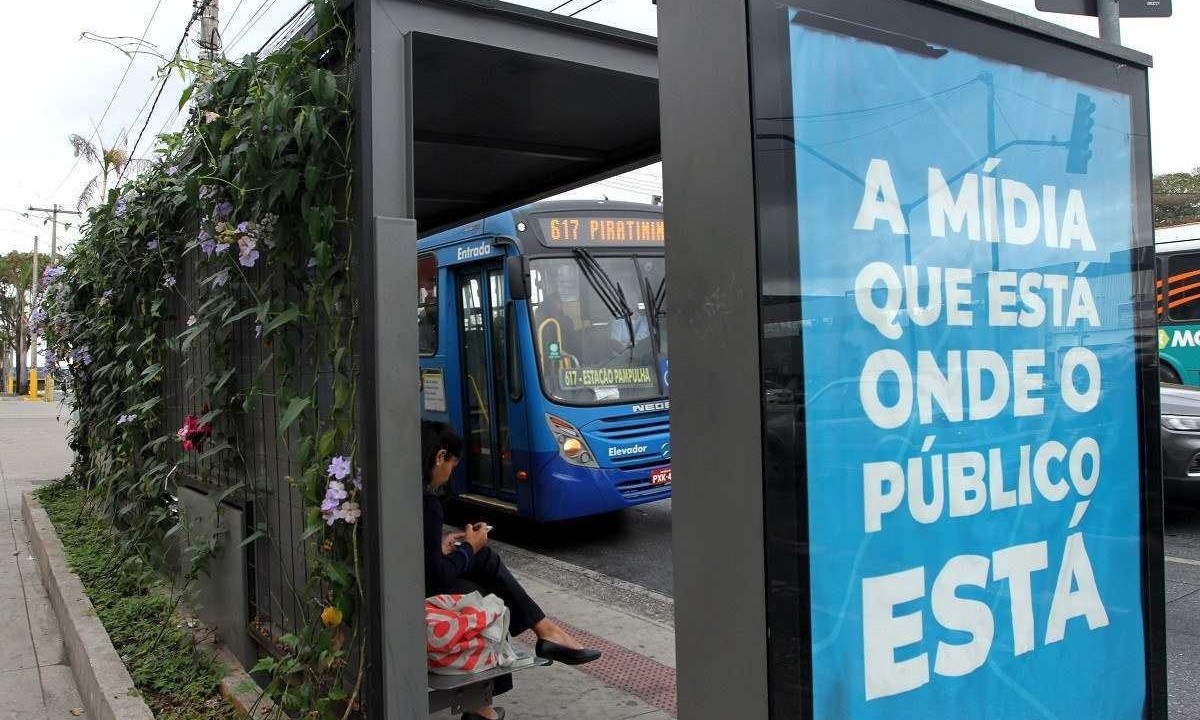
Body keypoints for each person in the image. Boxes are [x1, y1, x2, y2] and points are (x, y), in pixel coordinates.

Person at [422, 422, 600, 720]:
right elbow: (435, 577)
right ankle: (543, 635)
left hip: (401, 586)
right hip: (411, 596)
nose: (449, 474)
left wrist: (442, 546)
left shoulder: (405, 495)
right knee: (483, 598)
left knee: (482, 572)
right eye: (452, 465)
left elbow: (423, 560)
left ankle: (486, 705)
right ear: (440, 456)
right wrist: (470, 548)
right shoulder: (428, 503)